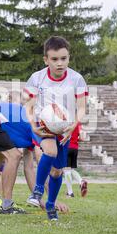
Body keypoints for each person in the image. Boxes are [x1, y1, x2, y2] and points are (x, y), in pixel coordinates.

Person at [24, 36, 88, 221]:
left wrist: (73, 127)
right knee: (50, 151)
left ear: (68, 57)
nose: (60, 63)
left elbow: (82, 107)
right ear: (46, 59)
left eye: (64, 58)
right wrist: (33, 126)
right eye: (54, 59)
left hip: (65, 128)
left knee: (58, 171)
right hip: (42, 126)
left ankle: (51, 204)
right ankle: (37, 191)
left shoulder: (77, 79)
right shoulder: (37, 78)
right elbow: (28, 107)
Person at [63, 122, 88, 198]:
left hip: (67, 147)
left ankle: (70, 193)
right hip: (75, 148)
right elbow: (80, 137)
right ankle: (81, 181)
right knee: (70, 170)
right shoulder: (77, 123)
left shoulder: (66, 122)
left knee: (66, 170)